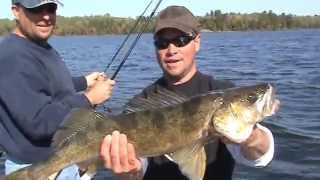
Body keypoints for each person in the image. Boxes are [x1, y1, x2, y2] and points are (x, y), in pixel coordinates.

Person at [100, 5, 280, 180]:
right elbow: (137, 169)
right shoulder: (142, 102)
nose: (171, 50)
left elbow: (260, 157)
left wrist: (251, 138)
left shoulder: (221, 90)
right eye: (162, 43)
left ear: (197, 42)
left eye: (181, 40)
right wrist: (128, 173)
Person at [0, 0, 115, 179]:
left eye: (50, 8)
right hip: (38, 169)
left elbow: (46, 84)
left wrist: (84, 82)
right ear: (16, 11)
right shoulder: (13, 56)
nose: (46, 16)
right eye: (36, 9)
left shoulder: (36, 46)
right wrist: (88, 99)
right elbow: (39, 122)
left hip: (61, 160)